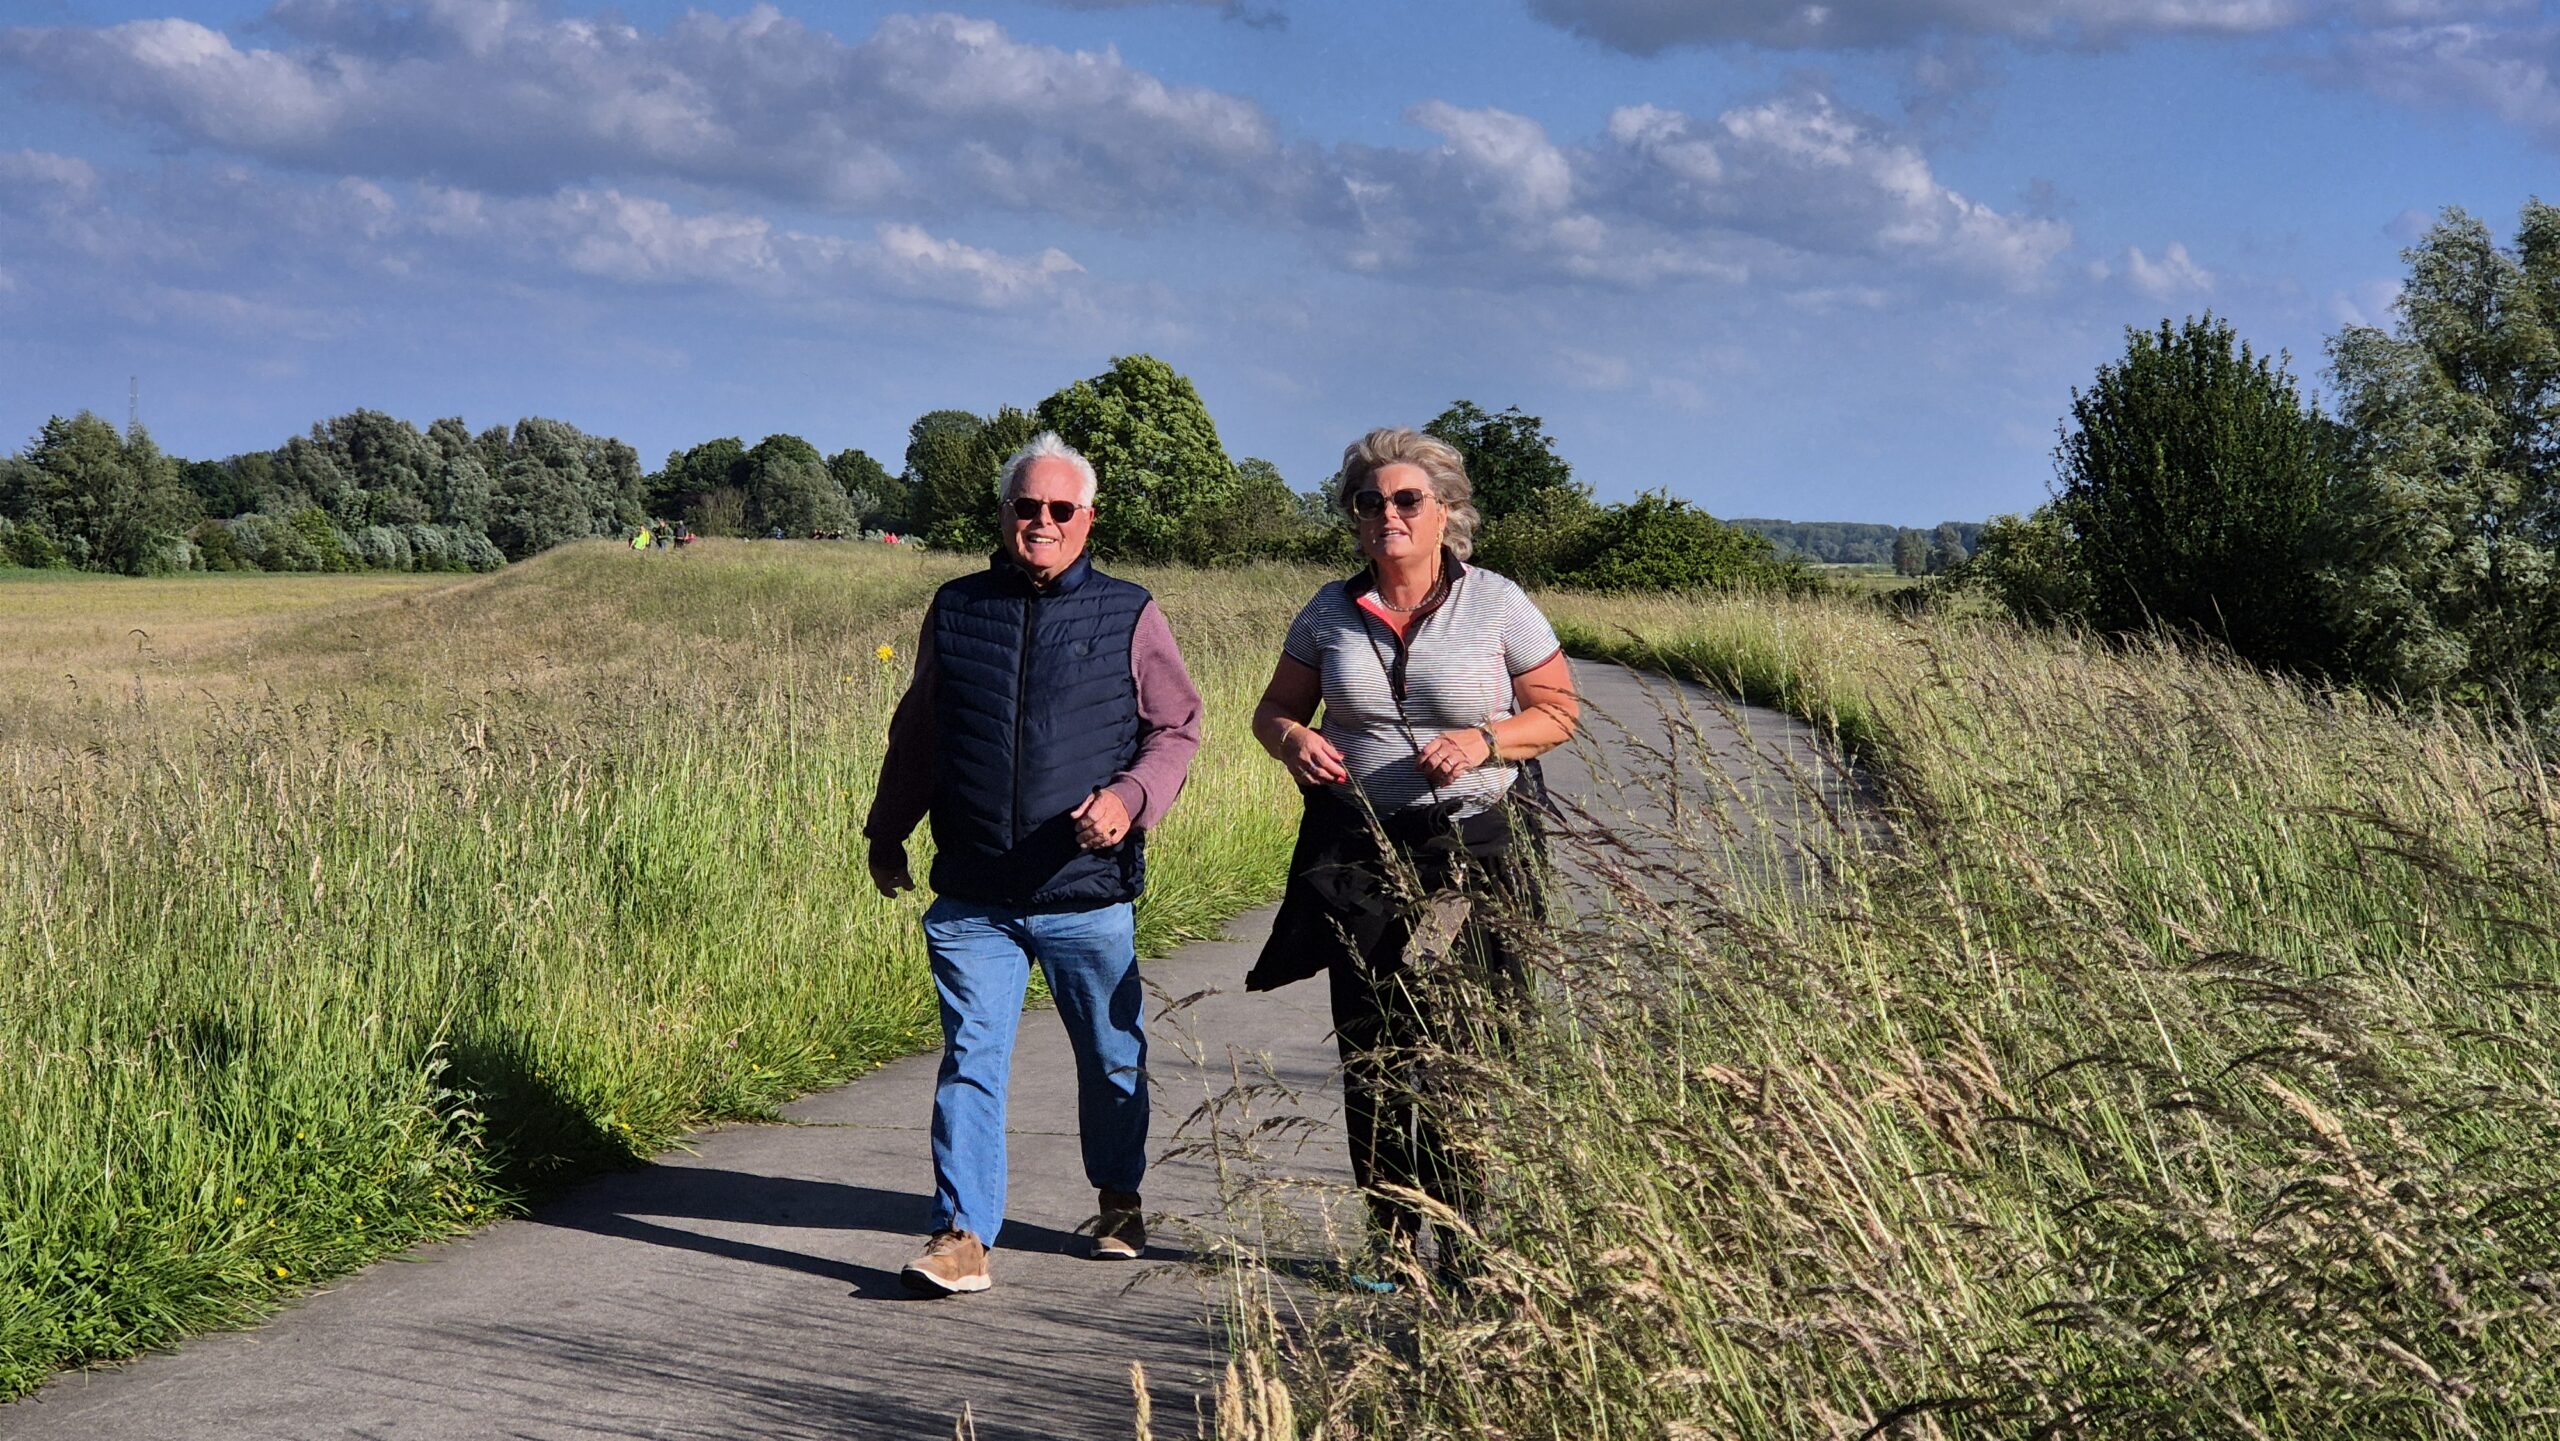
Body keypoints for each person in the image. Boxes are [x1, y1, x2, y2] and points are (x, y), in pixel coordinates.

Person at [864, 431, 1204, 1297]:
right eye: (1028, 506)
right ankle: (962, 1233)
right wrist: (887, 829)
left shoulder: (1130, 611)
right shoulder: (957, 606)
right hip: (975, 893)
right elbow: (921, 728)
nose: (1042, 521)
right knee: (970, 1058)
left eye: (1061, 507)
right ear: (1005, 514)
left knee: (1111, 1058)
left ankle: (1119, 1199)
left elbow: (1177, 727)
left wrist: (1131, 798)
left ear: (1088, 518)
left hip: (1085, 894)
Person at [1245, 426, 1578, 1271]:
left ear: (1446, 512)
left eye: (1406, 499)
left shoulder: (1496, 602)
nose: (1387, 514)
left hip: (1472, 850)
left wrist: (1484, 741)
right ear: (1354, 516)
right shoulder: (1328, 611)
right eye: (1370, 501)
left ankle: (1464, 1233)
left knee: (1463, 1039)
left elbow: (1558, 711)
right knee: (1372, 1038)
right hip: (1360, 849)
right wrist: (1294, 740)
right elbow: (1272, 711)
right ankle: (1390, 1237)